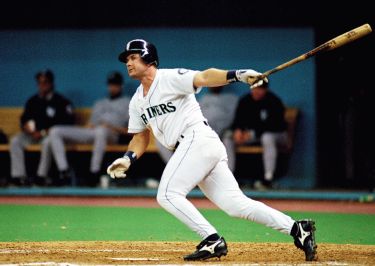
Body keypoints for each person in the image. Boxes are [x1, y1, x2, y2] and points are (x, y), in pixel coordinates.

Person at [106, 39, 317, 262]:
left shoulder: (169, 78)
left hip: (196, 138)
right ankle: (297, 229)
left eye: (133, 57)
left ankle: (211, 239)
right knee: (236, 205)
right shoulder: (137, 101)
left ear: (148, 58)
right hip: (197, 146)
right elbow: (140, 136)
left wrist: (239, 74)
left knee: (167, 194)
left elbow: (205, 77)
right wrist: (128, 158)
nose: (128, 63)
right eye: (127, 59)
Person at [44, 71, 131, 186]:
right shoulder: (99, 103)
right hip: (93, 132)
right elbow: (90, 125)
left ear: (121, 85)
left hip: (112, 134)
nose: (112, 87)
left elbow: (131, 130)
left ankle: (94, 172)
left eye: (115, 84)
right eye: (110, 84)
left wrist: (110, 127)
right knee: (55, 130)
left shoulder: (128, 102)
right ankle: (64, 171)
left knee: (101, 131)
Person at [10, 69, 75, 186]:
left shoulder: (61, 101)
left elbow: (67, 123)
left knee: (48, 142)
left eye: (45, 82)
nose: (42, 85)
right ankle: (19, 177)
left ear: (51, 83)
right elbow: (24, 119)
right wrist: (27, 128)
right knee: (15, 141)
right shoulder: (32, 101)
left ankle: (41, 175)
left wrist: (43, 132)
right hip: (32, 135)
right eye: (40, 83)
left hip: (48, 136)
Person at [155, 86, 238, 168]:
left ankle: (227, 178)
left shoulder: (231, 99)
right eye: (211, 83)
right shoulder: (204, 98)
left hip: (217, 133)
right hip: (196, 130)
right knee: (161, 139)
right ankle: (178, 169)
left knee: (226, 139)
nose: (213, 85)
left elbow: (231, 119)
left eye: (216, 83)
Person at [228, 80, 288, 190]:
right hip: (253, 136)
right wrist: (238, 130)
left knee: (267, 137)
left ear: (265, 89)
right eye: (255, 88)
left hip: (278, 136)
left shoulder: (274, 101)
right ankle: (228, 178)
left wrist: (251, 134)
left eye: (260, 89)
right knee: (228, 139)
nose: (257, 92)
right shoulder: (245, 101)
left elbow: (275, 125)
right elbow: (238, 120)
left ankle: (268, 179)